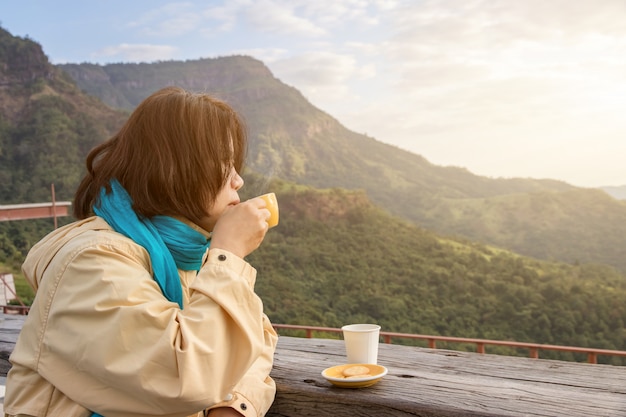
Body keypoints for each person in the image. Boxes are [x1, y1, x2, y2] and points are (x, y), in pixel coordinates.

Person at [4, 86, 278, 417]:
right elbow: (182, 376)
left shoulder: (187, 258)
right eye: (224, 162)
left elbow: (254, 336)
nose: (238, 181)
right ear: (176, 167)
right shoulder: (92, 263)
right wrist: (229, 255)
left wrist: (233, 404)